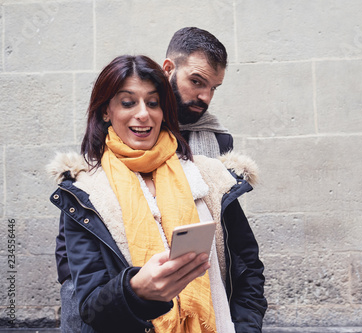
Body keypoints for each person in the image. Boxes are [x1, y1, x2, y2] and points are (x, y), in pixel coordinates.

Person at [48, 55, 266, 333]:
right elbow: (91, 307)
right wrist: (135, 290)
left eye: (153, 103)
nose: (143, 113)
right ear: (106, 111)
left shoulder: (210, 176)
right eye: (128, 102)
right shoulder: (85, 194)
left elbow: (248, 272)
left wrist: (245, 329)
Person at [163, 27, 233, 158]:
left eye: (213, 88)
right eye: (196, 81)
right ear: (168, 69)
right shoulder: (136, 126)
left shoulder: (221, 140)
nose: (206, 98)